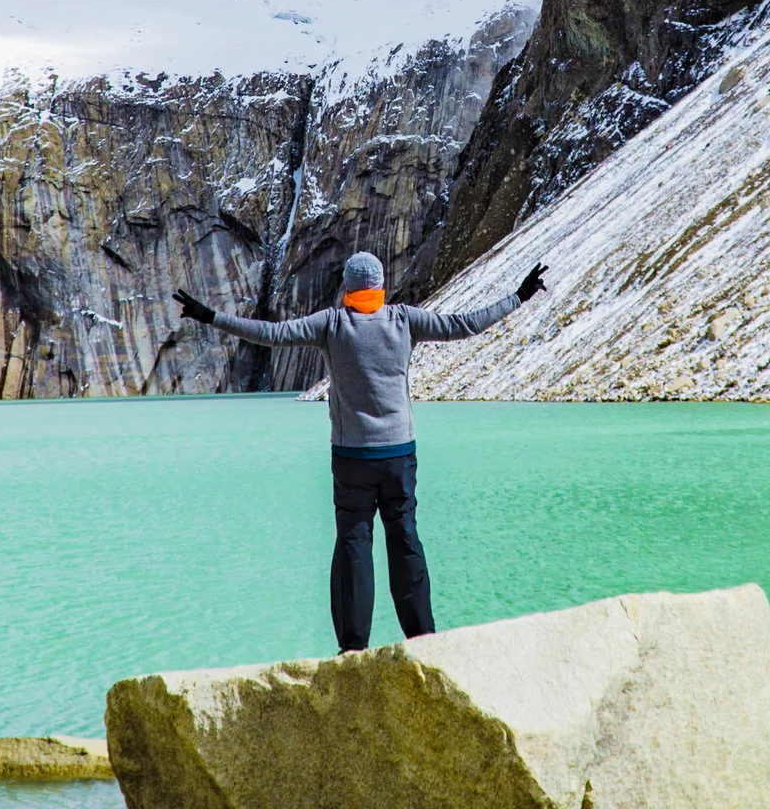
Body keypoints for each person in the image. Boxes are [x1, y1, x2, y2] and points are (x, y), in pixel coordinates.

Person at [173, 251, 544, 653]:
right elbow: (464, 324)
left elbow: (272, 334)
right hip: (399, 454)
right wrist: (519, 296)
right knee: (404, 539)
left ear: (347, 287)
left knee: (354, 543)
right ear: (381, 286)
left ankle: (353, 648)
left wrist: (211, 317)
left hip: (352, 458)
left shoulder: (331, 324)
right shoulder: (404, 320)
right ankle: (423, 639)